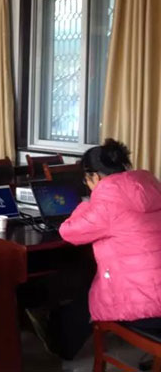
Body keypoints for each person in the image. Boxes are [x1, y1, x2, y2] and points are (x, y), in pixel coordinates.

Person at [60, 139, 161, 333]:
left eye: (86, 180)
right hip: (154, 295)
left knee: (80, 301)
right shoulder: (151, 188)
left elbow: (68, 232)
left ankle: (57, 342)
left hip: (148, 308)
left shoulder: (108, 202)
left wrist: (86, 204)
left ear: (95, 176)